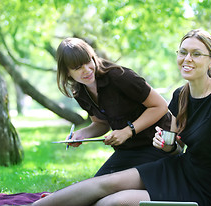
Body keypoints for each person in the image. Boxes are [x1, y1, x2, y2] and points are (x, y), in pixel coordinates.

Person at [0, 29, 211, 206]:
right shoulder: (181, 94)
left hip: (206, 190)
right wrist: (166, 146)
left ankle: (61, 205)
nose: (187, 59)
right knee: (103, 184)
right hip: (179, 169)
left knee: (115, 203)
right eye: (183, 52)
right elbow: (176, 142)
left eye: (196, 54)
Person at [56, 37, 172, 176]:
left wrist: (128, 131)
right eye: (78, 67)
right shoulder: (80, 92)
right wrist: (81, 135)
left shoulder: (120, 76)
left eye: (88, 61)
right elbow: (101, 123)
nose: (87, 70)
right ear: (67, 72)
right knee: (95, 187)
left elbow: (160, 106)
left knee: (115, 190)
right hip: (127, 150)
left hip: (157, 145)